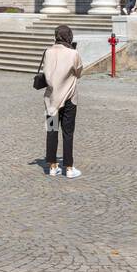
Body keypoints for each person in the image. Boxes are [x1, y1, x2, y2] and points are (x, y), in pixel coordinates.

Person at [41, 24, 85, 179]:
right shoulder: (73, 53)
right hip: (69, 99)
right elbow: (79, 72)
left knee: (52, 131)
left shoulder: (48, 51)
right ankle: (69, 167)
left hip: (51, 100)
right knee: (68, 133)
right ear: (69, 36)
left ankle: (52, 166)